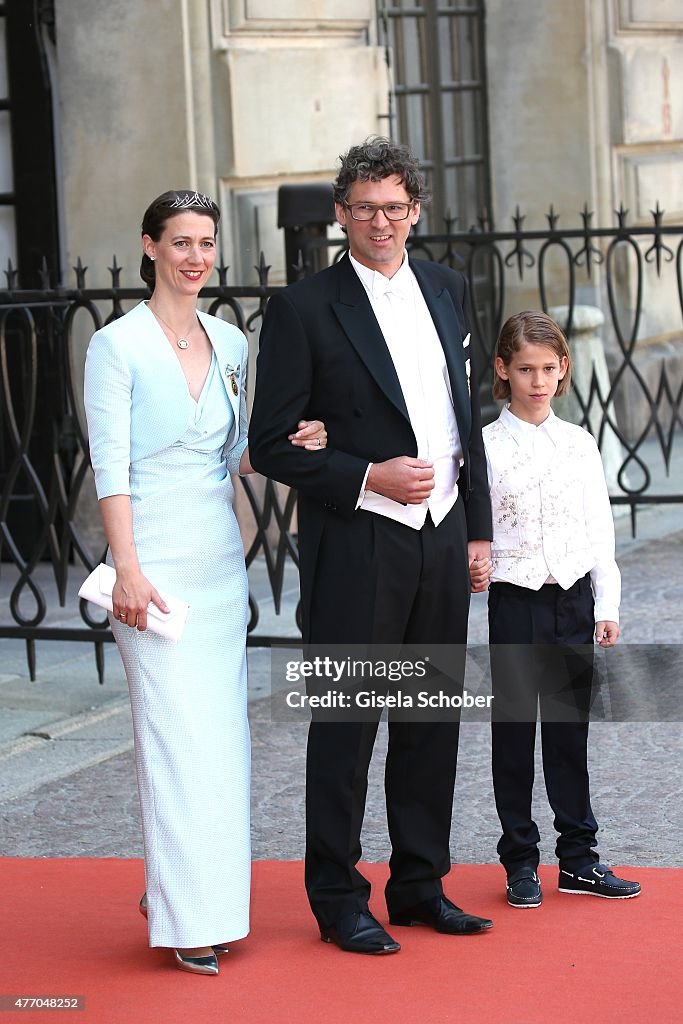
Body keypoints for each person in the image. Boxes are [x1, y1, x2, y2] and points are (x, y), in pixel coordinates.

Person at [248, 138, 494, 955]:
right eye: (362, 208)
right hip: (358, 540)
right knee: (348, 726)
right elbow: (274, 442)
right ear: (340, 216)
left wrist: (478, 528)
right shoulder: (303, 307)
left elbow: (468, 423)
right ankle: (338, 897)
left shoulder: (447, 287)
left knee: (429, 721)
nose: (379, 221)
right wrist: (367, 476)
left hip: (442, 536)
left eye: (393, 207)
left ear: (415, 210)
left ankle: (419, 886)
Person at [83, 189, 326, 975]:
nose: (195, 257)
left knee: (220, 745)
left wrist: (290, 443)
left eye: (205, 243)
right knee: (173, 741)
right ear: (149, 247)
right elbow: (109, 469)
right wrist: (126, 566)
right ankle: (184, 917)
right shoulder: (115, 347)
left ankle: (195, 901)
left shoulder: (229, 341)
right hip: (150, 571)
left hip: (219, 568)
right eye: (180, 242)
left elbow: (228, 457)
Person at [469, 310, 641, 908]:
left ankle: (579, 859)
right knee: (513, 734)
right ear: (502, 370)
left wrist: (607, 602)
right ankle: (519, 861)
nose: (538, 381)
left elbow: (600, 531)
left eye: (548, 368)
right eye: (525, 369)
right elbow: (476, 528)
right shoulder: (486, 446)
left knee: (569, 733)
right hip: (515, 600)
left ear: (563, 369)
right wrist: (475, 564)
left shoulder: (580, 444)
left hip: (574, 598)